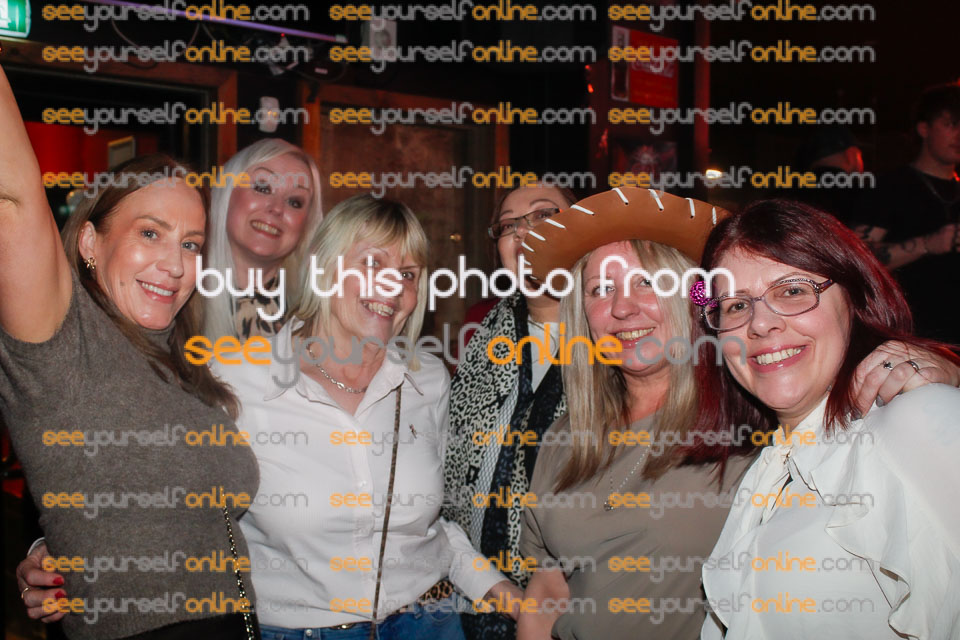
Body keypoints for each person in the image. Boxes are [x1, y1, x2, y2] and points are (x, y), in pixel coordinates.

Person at [511, 188, 960, 640]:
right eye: (601, 289)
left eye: (648, 281)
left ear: (692, 303)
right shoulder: (568, 436)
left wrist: (939, 376)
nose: (622, 307)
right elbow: (547, 588)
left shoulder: (746, 423)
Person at [0, 66, 259, 639]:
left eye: (190, 244)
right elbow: (12, 199)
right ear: (90, 241)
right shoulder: (65, 343)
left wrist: (54, 541)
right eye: (149, 233)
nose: (174, 264)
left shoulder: (185, 365)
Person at [210, 194, 517, 639]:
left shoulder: (428, 380)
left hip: (430, 625)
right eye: (373, 263)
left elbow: (433, 528)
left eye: (408, 274)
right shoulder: (238, 380)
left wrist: (502, 592)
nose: (393, 286)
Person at [695, 199, 960, 638]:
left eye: (792, 291)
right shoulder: (768, 471)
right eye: (736, 306)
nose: (760, 324)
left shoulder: (914, 419)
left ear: (854, 299)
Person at [443, 183, 575, 640]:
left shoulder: (626, 338)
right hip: (475, 601)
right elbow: (445, 489)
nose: (523, 232)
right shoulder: (481, 338)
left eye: (543, 215)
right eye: (507, 225)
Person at [852, 83, 960, 343]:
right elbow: (856, 259)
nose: (959, 134)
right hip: (913, 338)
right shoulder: (890, 186)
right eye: (951, 124)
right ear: (924, 129)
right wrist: (928, 244)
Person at [202, 138, 323, 340]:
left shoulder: (317, 318)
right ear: (227, 193)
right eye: (262, 188)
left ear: (307, 224)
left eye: (294, 202)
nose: (277, 208)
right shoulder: (180, 299)